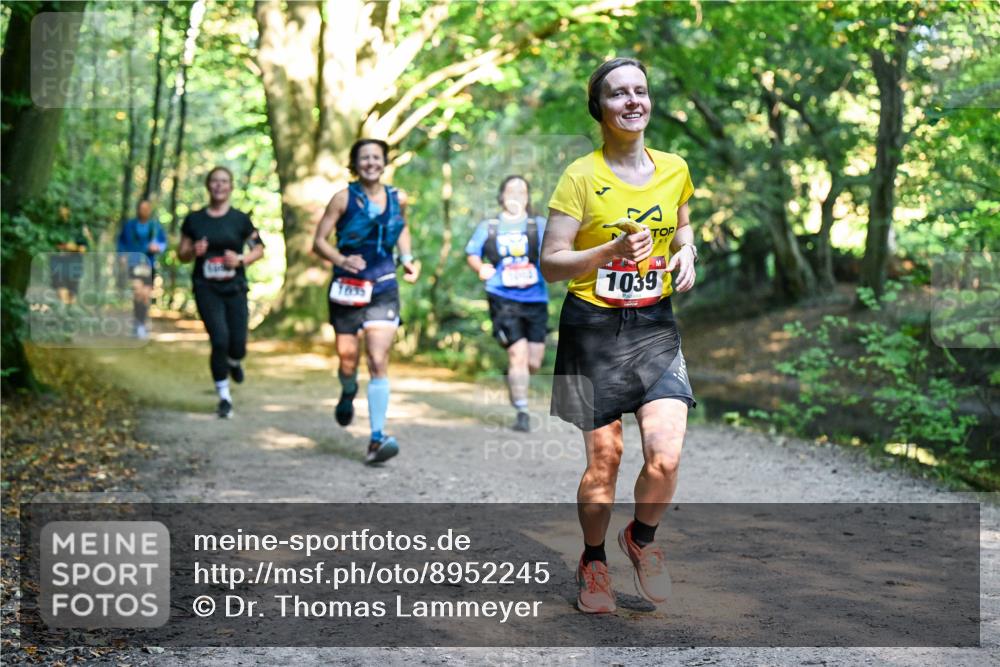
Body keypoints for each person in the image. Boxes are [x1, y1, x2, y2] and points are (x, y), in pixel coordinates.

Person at [540, 58, 699, 614]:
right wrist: (607, 252)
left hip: (654, 323)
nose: (633, 101)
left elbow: (680, 226)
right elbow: (552, 263)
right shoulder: (580, 176)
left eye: (640, 91)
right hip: (592, 327)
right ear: (600, 109)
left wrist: (687, 251)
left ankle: (641, 540)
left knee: (667, 455)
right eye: (618, 94)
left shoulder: (675, 168)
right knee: (604, 460)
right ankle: (594, 561)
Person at [313, 138, 419, 465]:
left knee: (377, 357)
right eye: (364, 158)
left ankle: (376, 438)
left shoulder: (397, 197)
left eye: (376, 157)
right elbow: (318, 241)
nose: (370, 162)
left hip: (384, 283)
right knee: (348, 359)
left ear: (384, 162)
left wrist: (408, 257)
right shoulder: (342, 198)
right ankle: (347, 389)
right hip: (348, 285)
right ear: (355, 163)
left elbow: (400, 228)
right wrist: (341, 259)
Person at [177, 166, 265, 419]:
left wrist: (240, 260)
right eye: (214, 181)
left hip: (235, 287)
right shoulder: (194, 220)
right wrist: (194, 250)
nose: (219, 186)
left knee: (238, 344)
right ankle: (224, 397)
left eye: (224, 181)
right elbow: (181, 254)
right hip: (206, 288)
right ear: (208, 185)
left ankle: (235, 362)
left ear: (231, 186)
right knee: (219, 339)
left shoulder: (240, 220)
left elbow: (258, 249)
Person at [465, 175, 549, 432]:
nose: (516, 194)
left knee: (533, 362)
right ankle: (522, 410)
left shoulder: (539, 224)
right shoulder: (489, 226)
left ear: (527, 196)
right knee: (518, 354)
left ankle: (513, 377)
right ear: (501, 195)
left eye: (521, 190)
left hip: (536, 298)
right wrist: (480, 268)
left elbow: (556, 249)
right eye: (510, 190)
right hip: (502, 296)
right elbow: (472, 253)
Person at [116, 200, 167, 339]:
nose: (144, 211)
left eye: (146, 208)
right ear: (138, 209)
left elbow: (163, 243)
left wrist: (157, 248)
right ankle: (138, 324)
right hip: (133, 263)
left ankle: (141, 323)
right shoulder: (130, 226)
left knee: (145, 295)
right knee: (138, 292)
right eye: (141, 208)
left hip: (148, 264)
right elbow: (121, 242)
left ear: (150, 210)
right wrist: (121, 256)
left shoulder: (155, 227)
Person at [50, 206, 89, 305]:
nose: (62, 210)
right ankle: (63, 315)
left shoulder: (79, 227)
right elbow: (50, 244)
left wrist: (73, 247)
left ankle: (69, 314)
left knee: (72, 297)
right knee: (61, 292)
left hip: (74, 265)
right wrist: (64, 247)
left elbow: (84, 248)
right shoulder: (53, 225)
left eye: (65, 207)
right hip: (58, 264)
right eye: (60, 207)